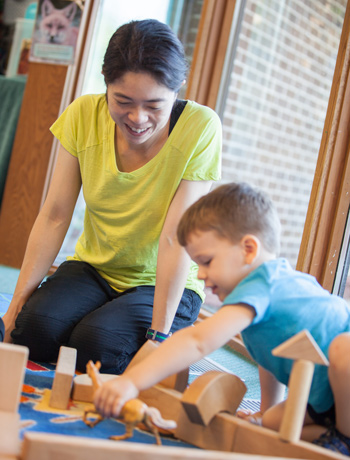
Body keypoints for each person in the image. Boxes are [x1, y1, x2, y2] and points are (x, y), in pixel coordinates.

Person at [2, 19, 222, 374]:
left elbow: (175, 238)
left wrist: (159, 340)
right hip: (94, 268)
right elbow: (56, 214)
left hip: (160, 281)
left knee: (97, 346)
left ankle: (117, 327)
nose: (138, 118)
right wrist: (12, 311)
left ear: (178, 88)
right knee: (33, 330)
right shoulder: (83, 114)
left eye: (154, 105)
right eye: (122, 101)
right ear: (106, 84)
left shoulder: (201, 127)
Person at [93, 182, 350, 456]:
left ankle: (343, 437)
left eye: (206, 261)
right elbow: (269, 358)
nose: (201, 275)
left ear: (248, 249)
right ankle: (336, 437)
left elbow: (198, 341)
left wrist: (131, 381)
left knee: (343, 350)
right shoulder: (255, 306)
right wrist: (264, 412)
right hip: (323, 402)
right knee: (270, 423)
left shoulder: (264, 285)